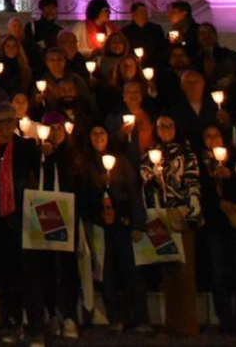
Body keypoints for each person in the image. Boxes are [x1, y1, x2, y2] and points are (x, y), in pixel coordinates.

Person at [80, 126, 150, 334]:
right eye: (94, 134)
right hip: (100, 224)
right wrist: (98, 189)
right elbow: (84, 193)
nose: (99, 137)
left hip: (122, 222)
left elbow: (134, 191)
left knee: (131, 271)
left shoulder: (120, 160)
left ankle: (141, 318)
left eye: (102, 133)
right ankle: (115, 318)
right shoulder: (86, 164)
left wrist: (137, 223)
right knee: (107, 273)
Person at [0, 102, 39, 345]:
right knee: (5, 276)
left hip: (19, 219)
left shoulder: (26, 147)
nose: (3, 126)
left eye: (7, 120)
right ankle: (12, 322)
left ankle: (35, 326)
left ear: (15, 122)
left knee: (27, 275)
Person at [23, 112, 82, 341]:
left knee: (68, 266)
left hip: (68, 216)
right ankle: (51, 314)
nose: (55, 133)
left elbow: (77, 181)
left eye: (58, 128)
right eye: (50, 129)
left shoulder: (71, 154)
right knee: (46, 266)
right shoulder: (37, 155)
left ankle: (69, 315)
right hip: (43, 215)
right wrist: (43, 157)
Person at [140, 115, 201, 336]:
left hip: (181, 213)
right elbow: (144, 180)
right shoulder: (150, 154)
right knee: (167, 270)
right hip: (160, 213)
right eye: (161, 126)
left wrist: (192, 209)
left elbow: (193, 181)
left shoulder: (186, 152)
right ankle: (171, 322)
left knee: (185, 272)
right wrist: (153, 177)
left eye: (169, 125)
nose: (165, 129)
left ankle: (187, 323)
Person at [195, 122, 236, 335]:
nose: (212, 140)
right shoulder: (199, 163)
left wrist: (231, 178)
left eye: (216, 135)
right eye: (208, 135)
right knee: (218, 272)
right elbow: (199, 190)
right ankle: (226, 319)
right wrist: (216, 203)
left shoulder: (235, 159)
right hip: (214, 224)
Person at [194, 23, 236, 92]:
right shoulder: (196, 60)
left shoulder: (229, 54)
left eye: (209, 32)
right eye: (203, 33)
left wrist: (232, 78)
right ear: (199, 38)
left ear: (215, 36)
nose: (207, 36)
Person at [120, 2, 168, 67]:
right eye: (141, 12)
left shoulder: (156, 29)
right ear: (133, 14)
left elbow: (162, 47)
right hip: (134, 65)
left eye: (146, 12)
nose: (145, 14)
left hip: (153, 64)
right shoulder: (125, 32)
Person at [24, 0, 62, 71]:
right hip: (36, 69)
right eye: (48, 7)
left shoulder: (59, 30)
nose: (51, 10)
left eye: (53, 8)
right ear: (42, 9)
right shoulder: (31, 27)